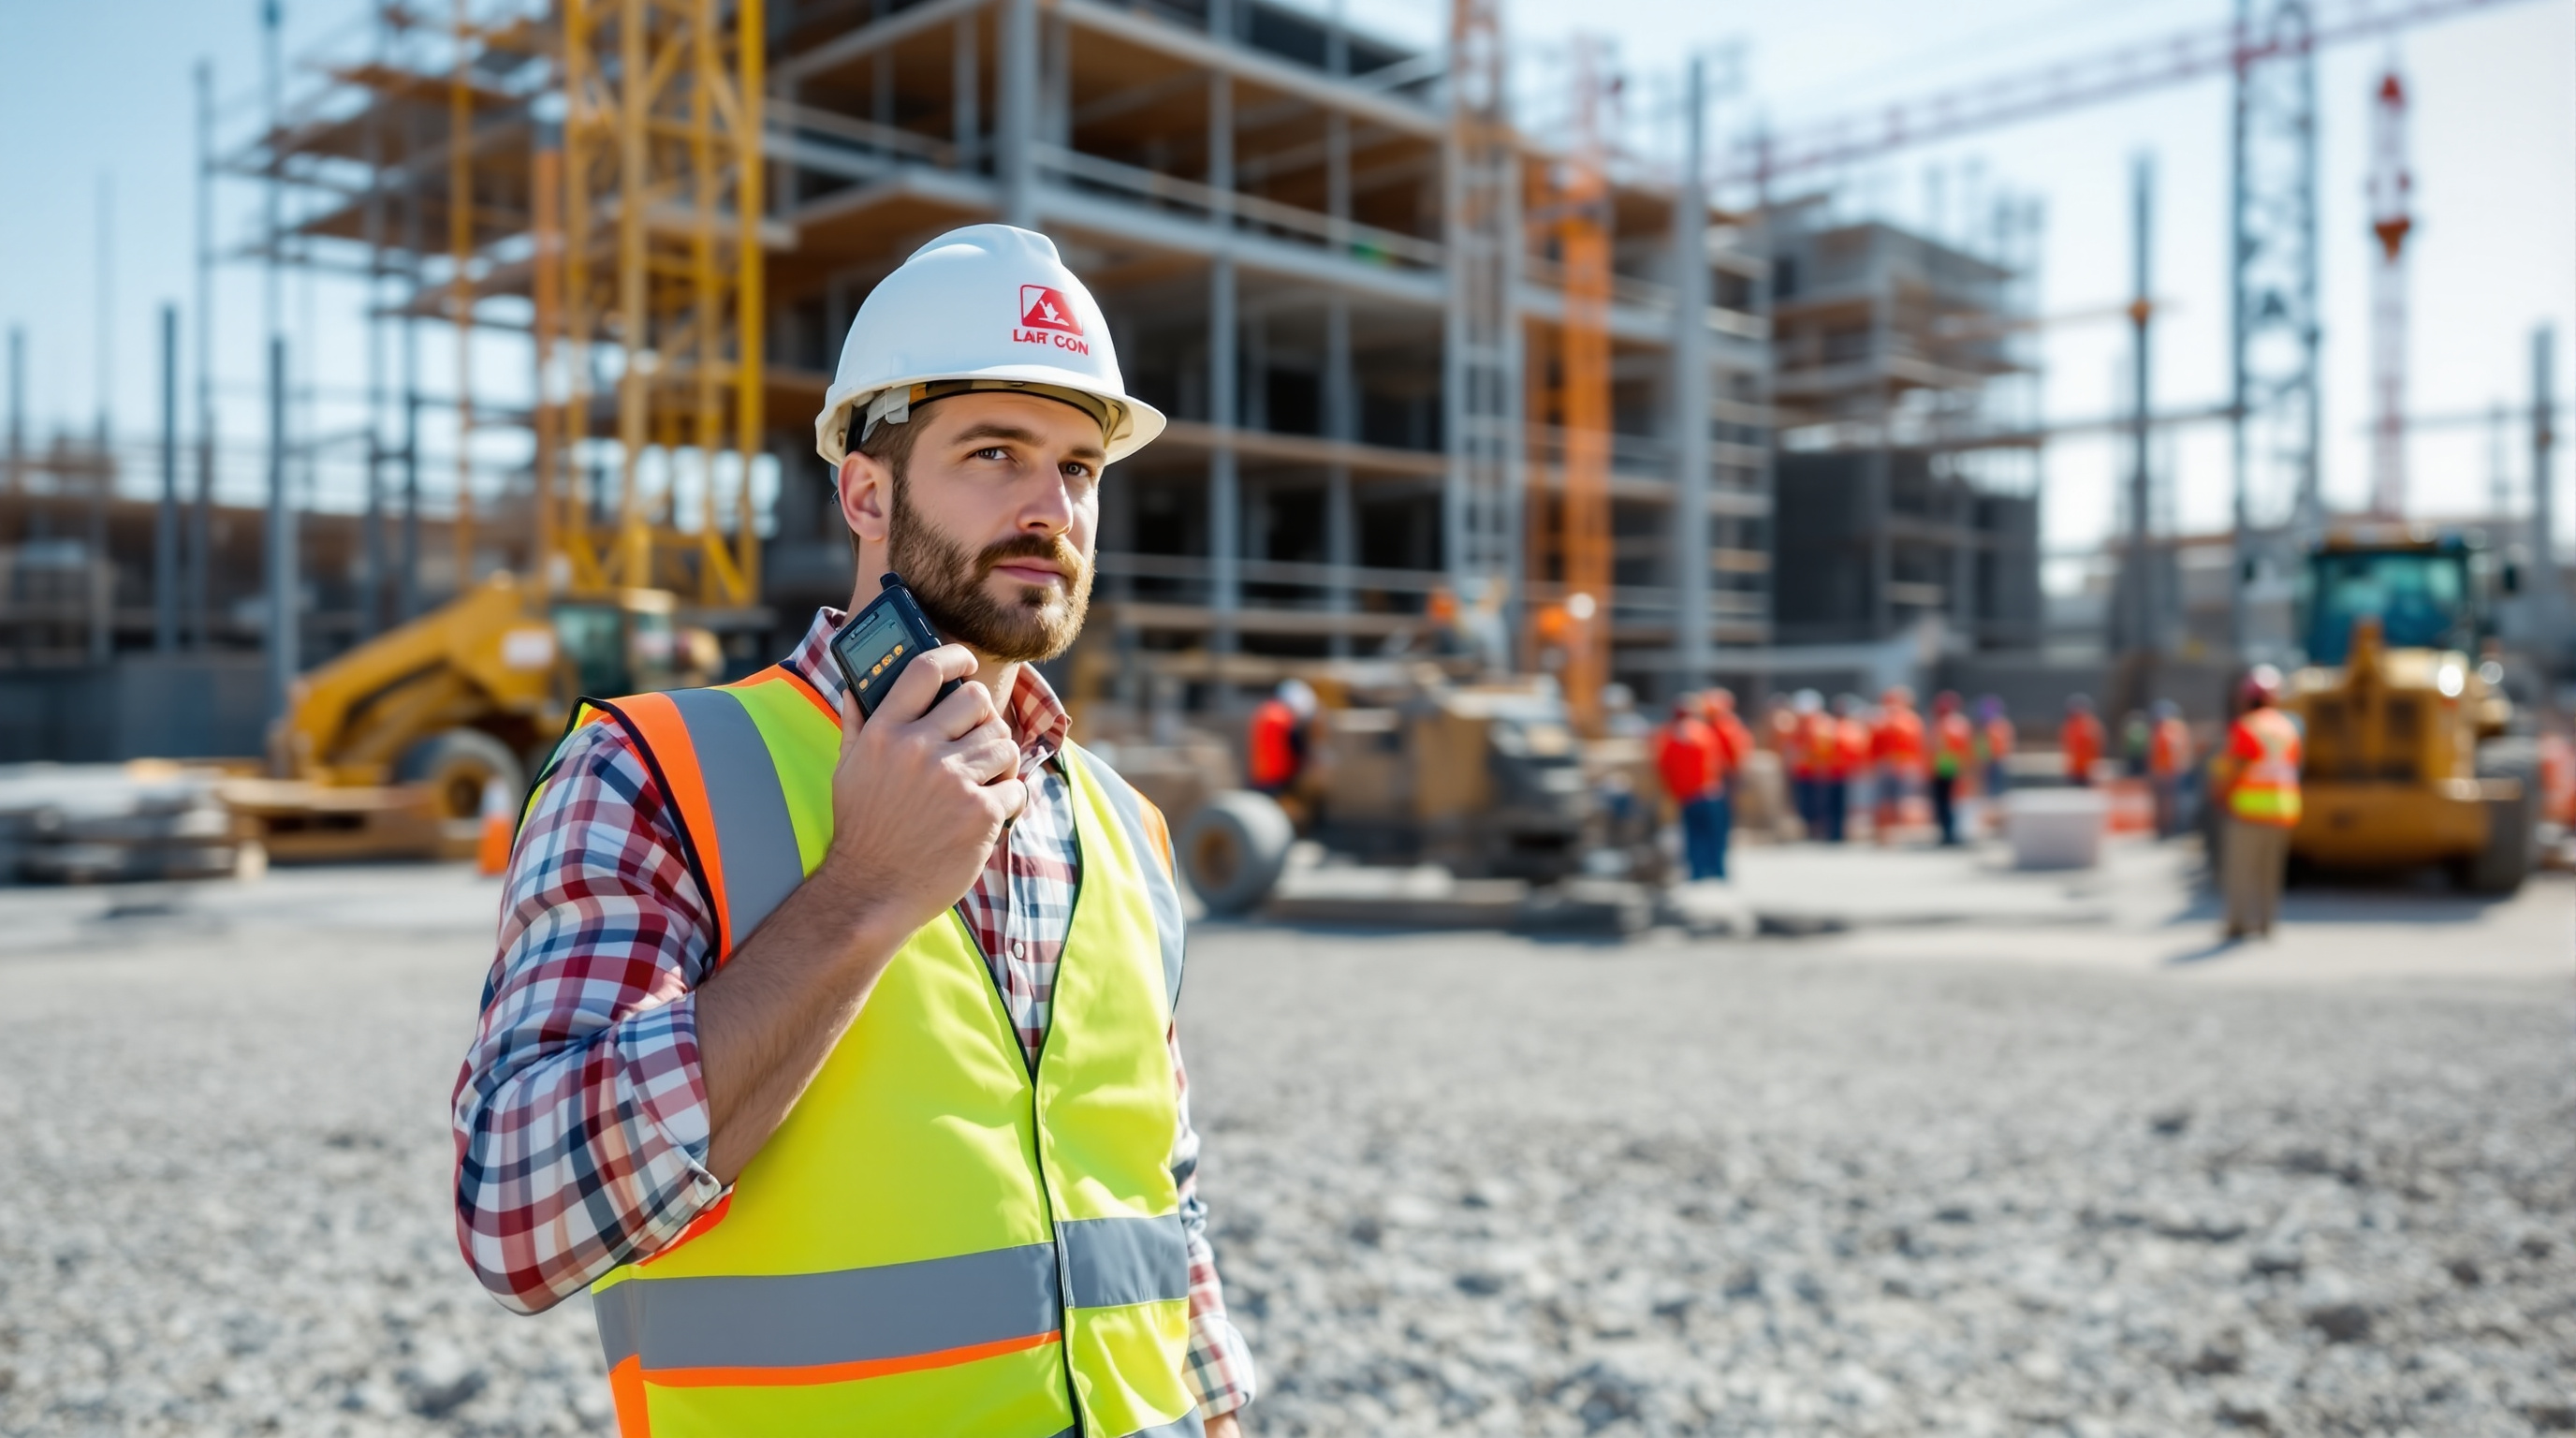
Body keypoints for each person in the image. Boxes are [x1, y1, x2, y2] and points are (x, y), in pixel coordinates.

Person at [451, 227, 1255, 1438]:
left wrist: (1219, 1413)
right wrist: (864, 892)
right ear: (865, 492)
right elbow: (523, 1218)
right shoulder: (653, 772)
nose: (1053, 508)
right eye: (997, 453)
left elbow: (1158, 1198)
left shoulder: (1122, 824)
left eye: (1082, 469)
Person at [2213, 666, 2303, 941]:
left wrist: (2221, 793)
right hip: (2282, 809)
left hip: (2250, 809)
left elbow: (2236, 767)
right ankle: (2266, 924)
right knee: (2269, 872)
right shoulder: (2288, 727)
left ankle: (2237, 924)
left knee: (2241, 871)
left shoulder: (2247, 726)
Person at [1654, 696, 1725, 880]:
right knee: (1714, 836)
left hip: (1687, 796)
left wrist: (1672, 790)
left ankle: (1697, 872)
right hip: (1708, 793)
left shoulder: (1668, 737)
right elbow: (1718, 761)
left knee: (1693, 837)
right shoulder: (1704, 732)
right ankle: (1717, 872)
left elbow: (1663, 766)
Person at [1702, 688, 1754, 877]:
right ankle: (1715, 867)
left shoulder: (1724, 727)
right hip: (1719, 779)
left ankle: (1716, 868)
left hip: (1721, 779)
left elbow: (1734, 757)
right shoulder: (1726, 726)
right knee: (1716, 825)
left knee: (1718, 825)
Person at [1871, 685, 1925, 844]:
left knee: (1902, 802)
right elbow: (1875, 745)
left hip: (1902, 765)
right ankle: (1886, 836)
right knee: (1887, 802)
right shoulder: (1882, 720)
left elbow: (1917, 745)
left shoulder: (1910, 720)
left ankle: (1898, 836)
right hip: (1889, 765)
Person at [1248, 677, 1316, 795]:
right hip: (1278, 779)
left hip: (1261, 776)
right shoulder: (1283, 718)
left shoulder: (1264, 712)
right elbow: (1296, 747)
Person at [1929, 690, 1975, 846]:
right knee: (1953, 802)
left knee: (1945, 802)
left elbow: (1937, 749)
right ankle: (1952, 832)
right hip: (1955, 766)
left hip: (1945, 767)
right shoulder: (1961, 723)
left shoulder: (1943, 724)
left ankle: (1949, 833)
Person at [2146, 698, 2192, 839]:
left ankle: (2168, 830)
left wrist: (2171, 769)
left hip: (2167, 773)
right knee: (2169, 803)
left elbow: (2172, 749)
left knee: (2168, 804)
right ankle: (2167, 829)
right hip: (2168, 771)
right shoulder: (2175, 727)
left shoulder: (2168, 728)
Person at [1830, 693, 1872, 844]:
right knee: (1835, 804)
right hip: (1834, 772)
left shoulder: (1852, 728)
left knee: (1850, 806)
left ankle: (1844, 833)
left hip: (1850, 773)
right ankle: (1835, 833)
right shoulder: (1831, 727)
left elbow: (1861, 750)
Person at [1790, 688, 1830, 840]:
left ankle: (1817, 830)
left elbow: (1823, 750)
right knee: (1805, 802)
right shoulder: (1799, 727)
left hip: (1816, 771)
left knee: (1818, 802)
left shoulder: (1821, 725)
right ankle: (1809, 829)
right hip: (1803, 771)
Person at [2060, 693, 2105, 786]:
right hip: (2076, 768)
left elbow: (2096, 745)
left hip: (2087, 770)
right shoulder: (2071, 725)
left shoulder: (2089, 724)